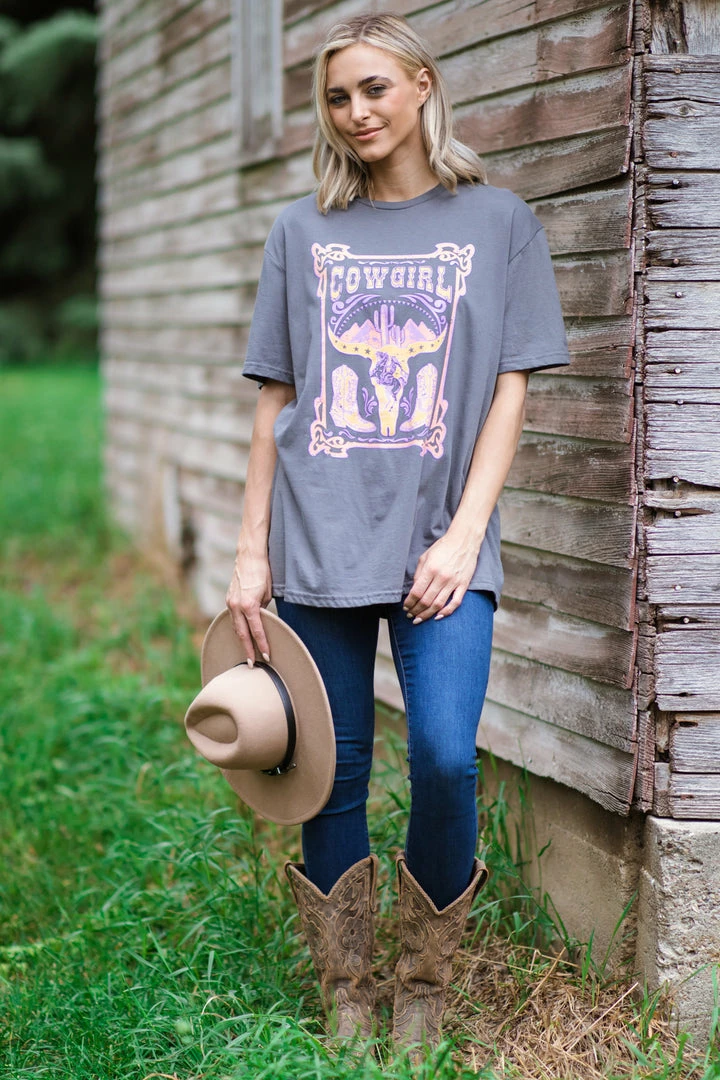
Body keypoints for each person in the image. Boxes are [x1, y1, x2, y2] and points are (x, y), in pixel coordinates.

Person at [225, 11, 570, 1054]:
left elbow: (510, 390)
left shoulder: (499, 222)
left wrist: (464, 536)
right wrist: (251, 553)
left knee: (446, 757)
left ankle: (423, 982)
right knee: (328, 769)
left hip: (440, 543)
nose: (356, 111)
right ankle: (347, 987)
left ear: (422, 85)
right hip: (319, 536)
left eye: (374, 87)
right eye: (337, 97)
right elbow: (276, 400)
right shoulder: (301, 234)